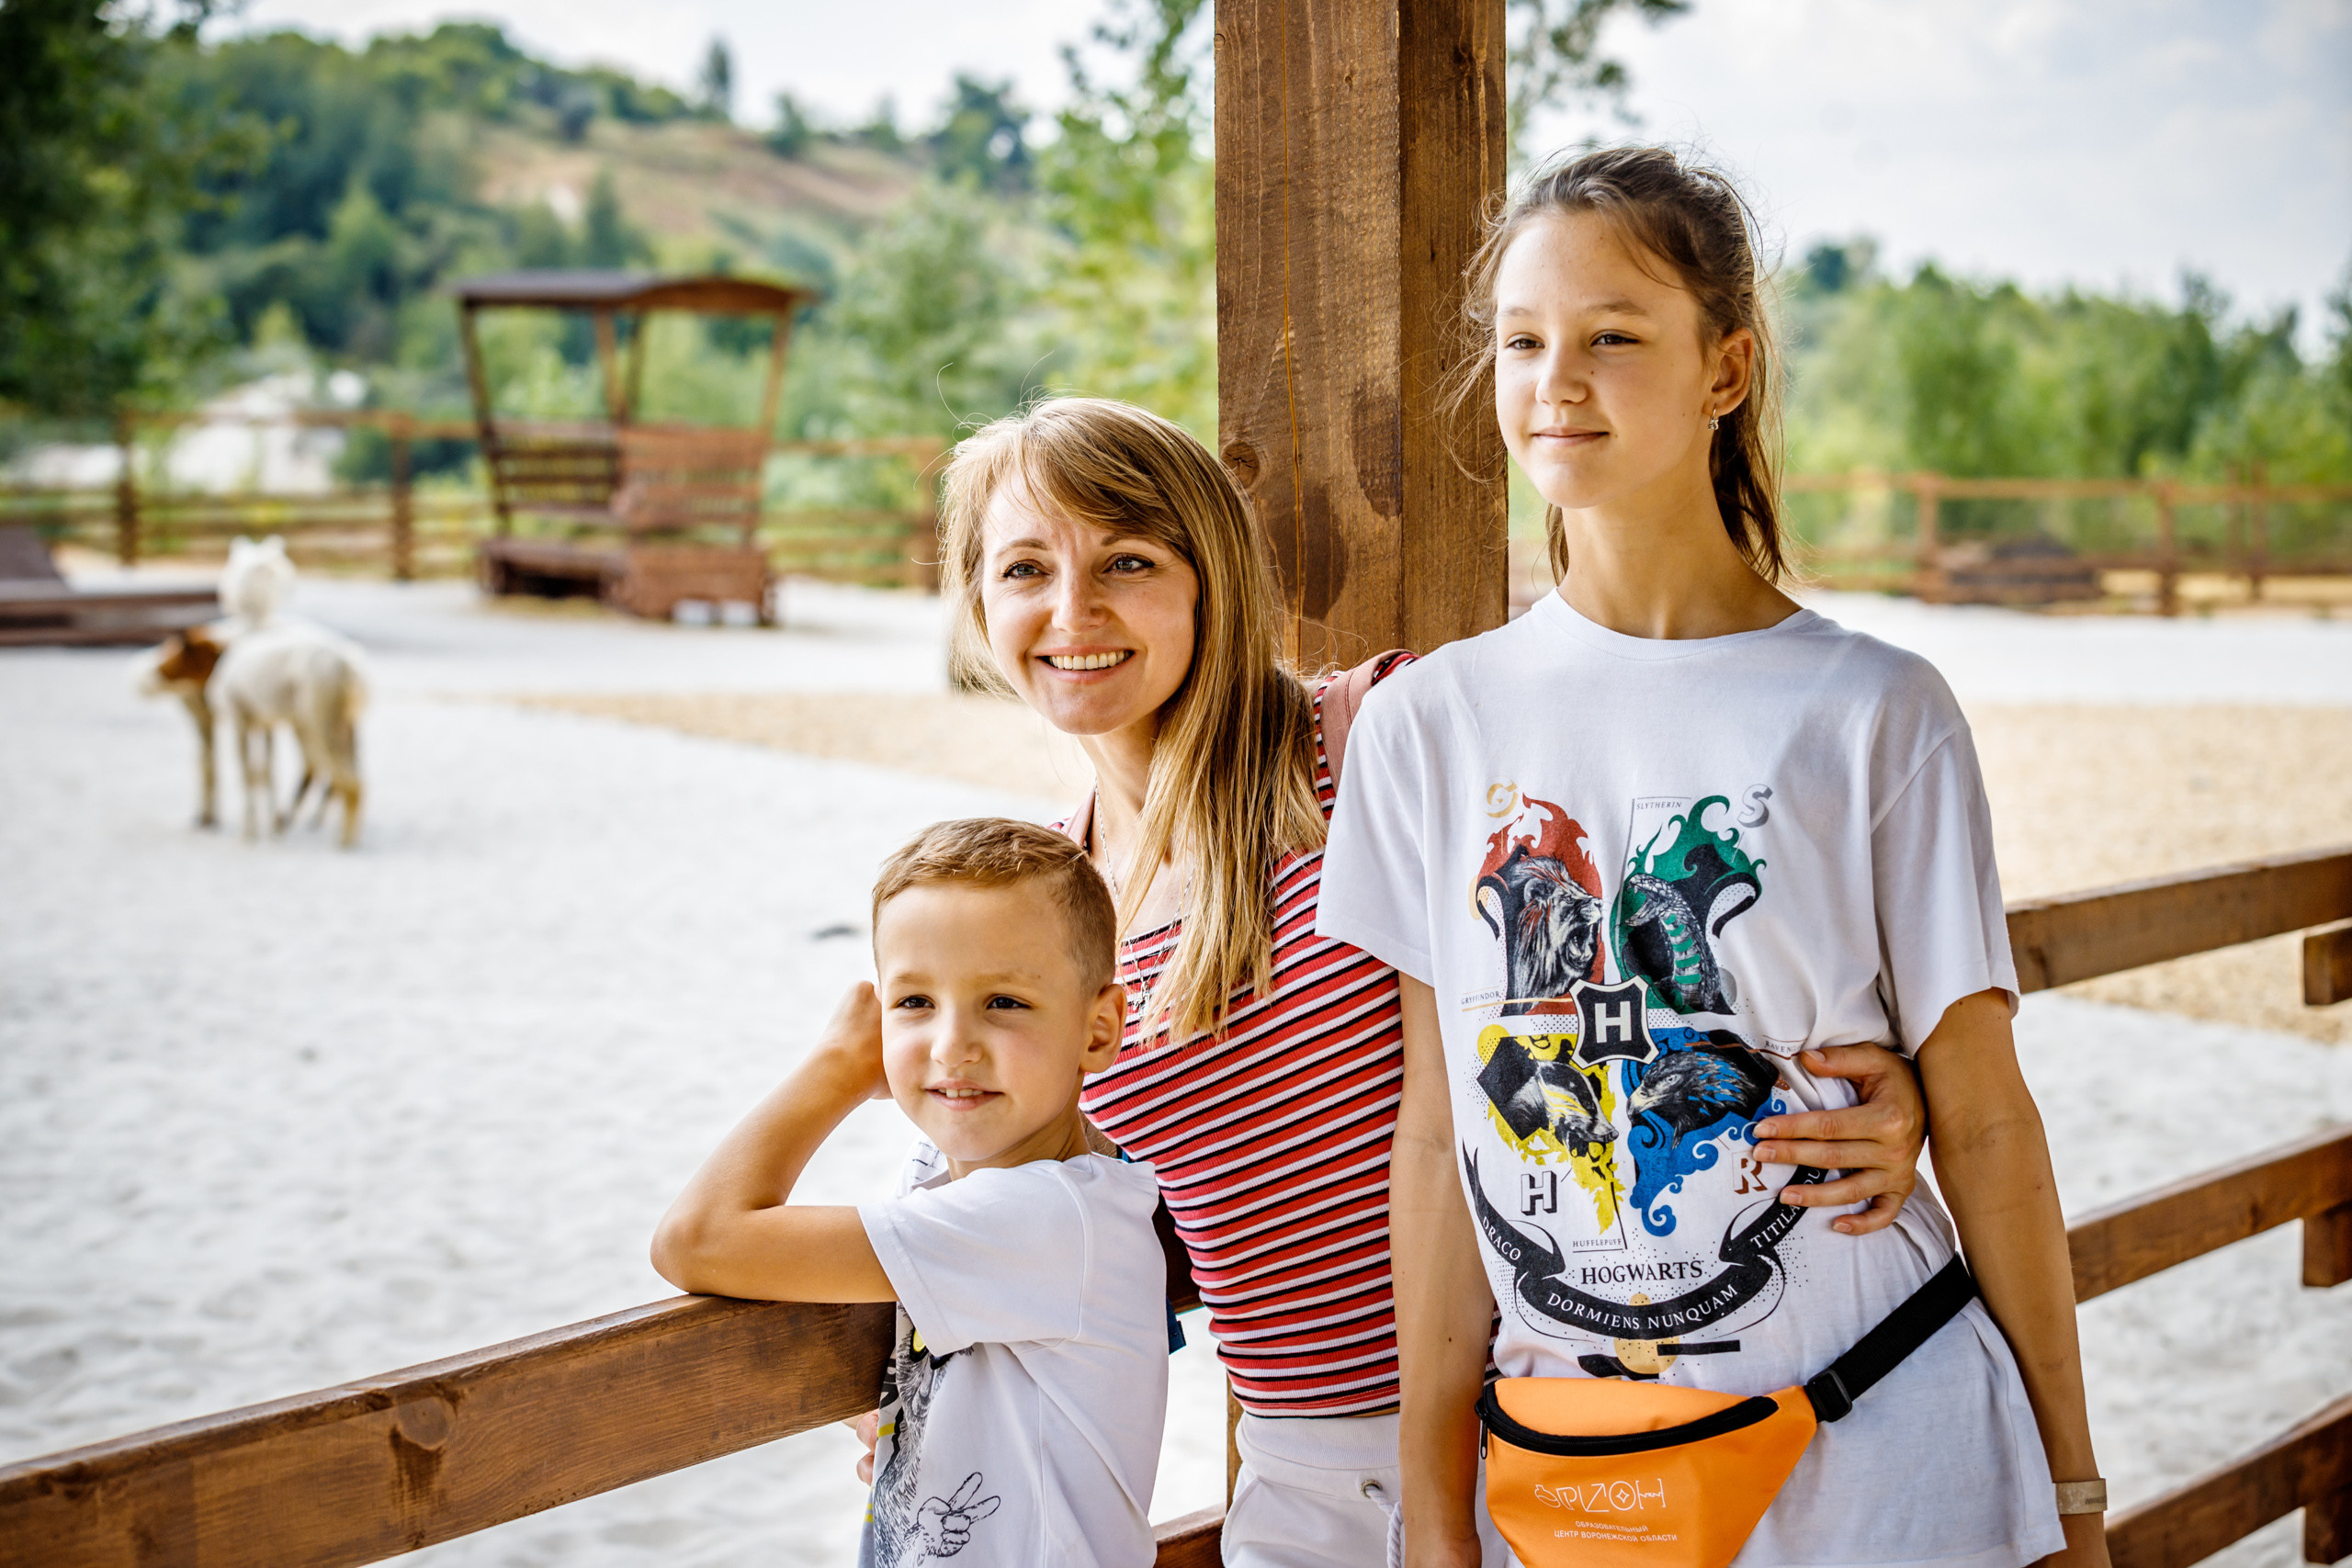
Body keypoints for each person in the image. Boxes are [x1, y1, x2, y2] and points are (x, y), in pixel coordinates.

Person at [922, 395, 1939, 1567]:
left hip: (1540, 1421)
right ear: (978, 601)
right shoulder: (1055, 909)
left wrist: (1878, 1088)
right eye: (1024, 570)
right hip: (1296, 1474)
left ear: (1210, 576)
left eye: (1128, 561)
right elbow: (1056, 1200)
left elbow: (1660, 881)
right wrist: (924, 1354)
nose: (1072, 611)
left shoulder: (1374, 738)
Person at [1316, 145, 2105, 1568]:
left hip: (1882, 1431)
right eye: (1523, 341)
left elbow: (1986, 1118)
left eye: (1615, 338)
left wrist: (2077, 1503)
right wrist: (1433, 1519)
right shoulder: (1427, 725)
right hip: (1588, 1475)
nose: (1559, 380)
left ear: (1724, 371)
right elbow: (1439, 1143)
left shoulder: (1874, 707)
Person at [651, 818, 1170, 1568]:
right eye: (916, 1002)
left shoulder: (1045, 1216)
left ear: (1097, 1030)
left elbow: (693, 1239)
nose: (950, 1044)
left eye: (1004, 1002)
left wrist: (835, 1067)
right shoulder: (945, 1174)